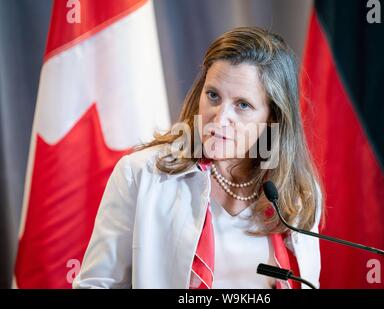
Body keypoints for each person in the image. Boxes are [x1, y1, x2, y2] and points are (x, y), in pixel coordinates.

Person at [73, 26, 323, 289]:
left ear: (273, 116)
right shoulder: (140, 173)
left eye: (242, 105)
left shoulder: (300, 194)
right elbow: (96, 285)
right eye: (213, 96)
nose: (220, 117)